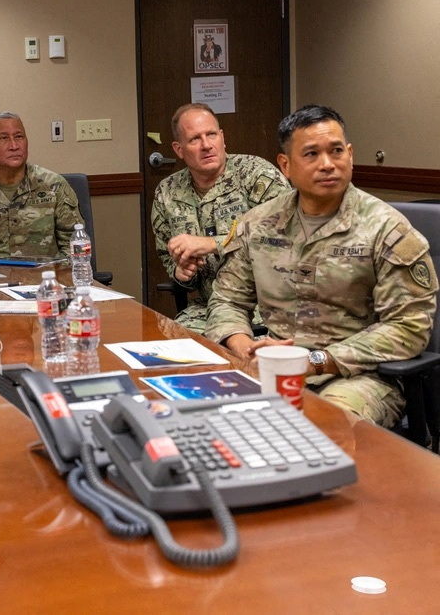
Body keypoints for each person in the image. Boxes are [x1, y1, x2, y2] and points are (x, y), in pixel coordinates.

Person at [205, 105, 438, 427]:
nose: (327, 164)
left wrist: (317, 361)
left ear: (351, 154)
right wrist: (243, 346)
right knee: (201, 417)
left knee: (319, 428)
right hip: (273, 366)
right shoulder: (258, 224)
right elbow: (227, 299)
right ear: (285, 165)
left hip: (360, 377)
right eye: (311, 154)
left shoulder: (386, 229)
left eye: (336, 151)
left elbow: (409, 327)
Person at [151, 103, 290, 332]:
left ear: (222, 138)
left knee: (244, 355)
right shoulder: (167, 193)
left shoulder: (257, 175)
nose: (206, 145)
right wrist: (182, 272)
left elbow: (282, 238)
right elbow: (168, 257)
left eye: (212, 135)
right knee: (173, 345)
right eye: (195, 139)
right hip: (207, 308)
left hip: (268, 308)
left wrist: (210, 244)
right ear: (178, 149)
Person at [0, 112, 81, 259]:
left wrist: (52, 276)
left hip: (48, 278)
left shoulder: (54, 185)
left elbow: (75, 245)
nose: (14, 146)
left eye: (19, 137)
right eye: (4, 138)